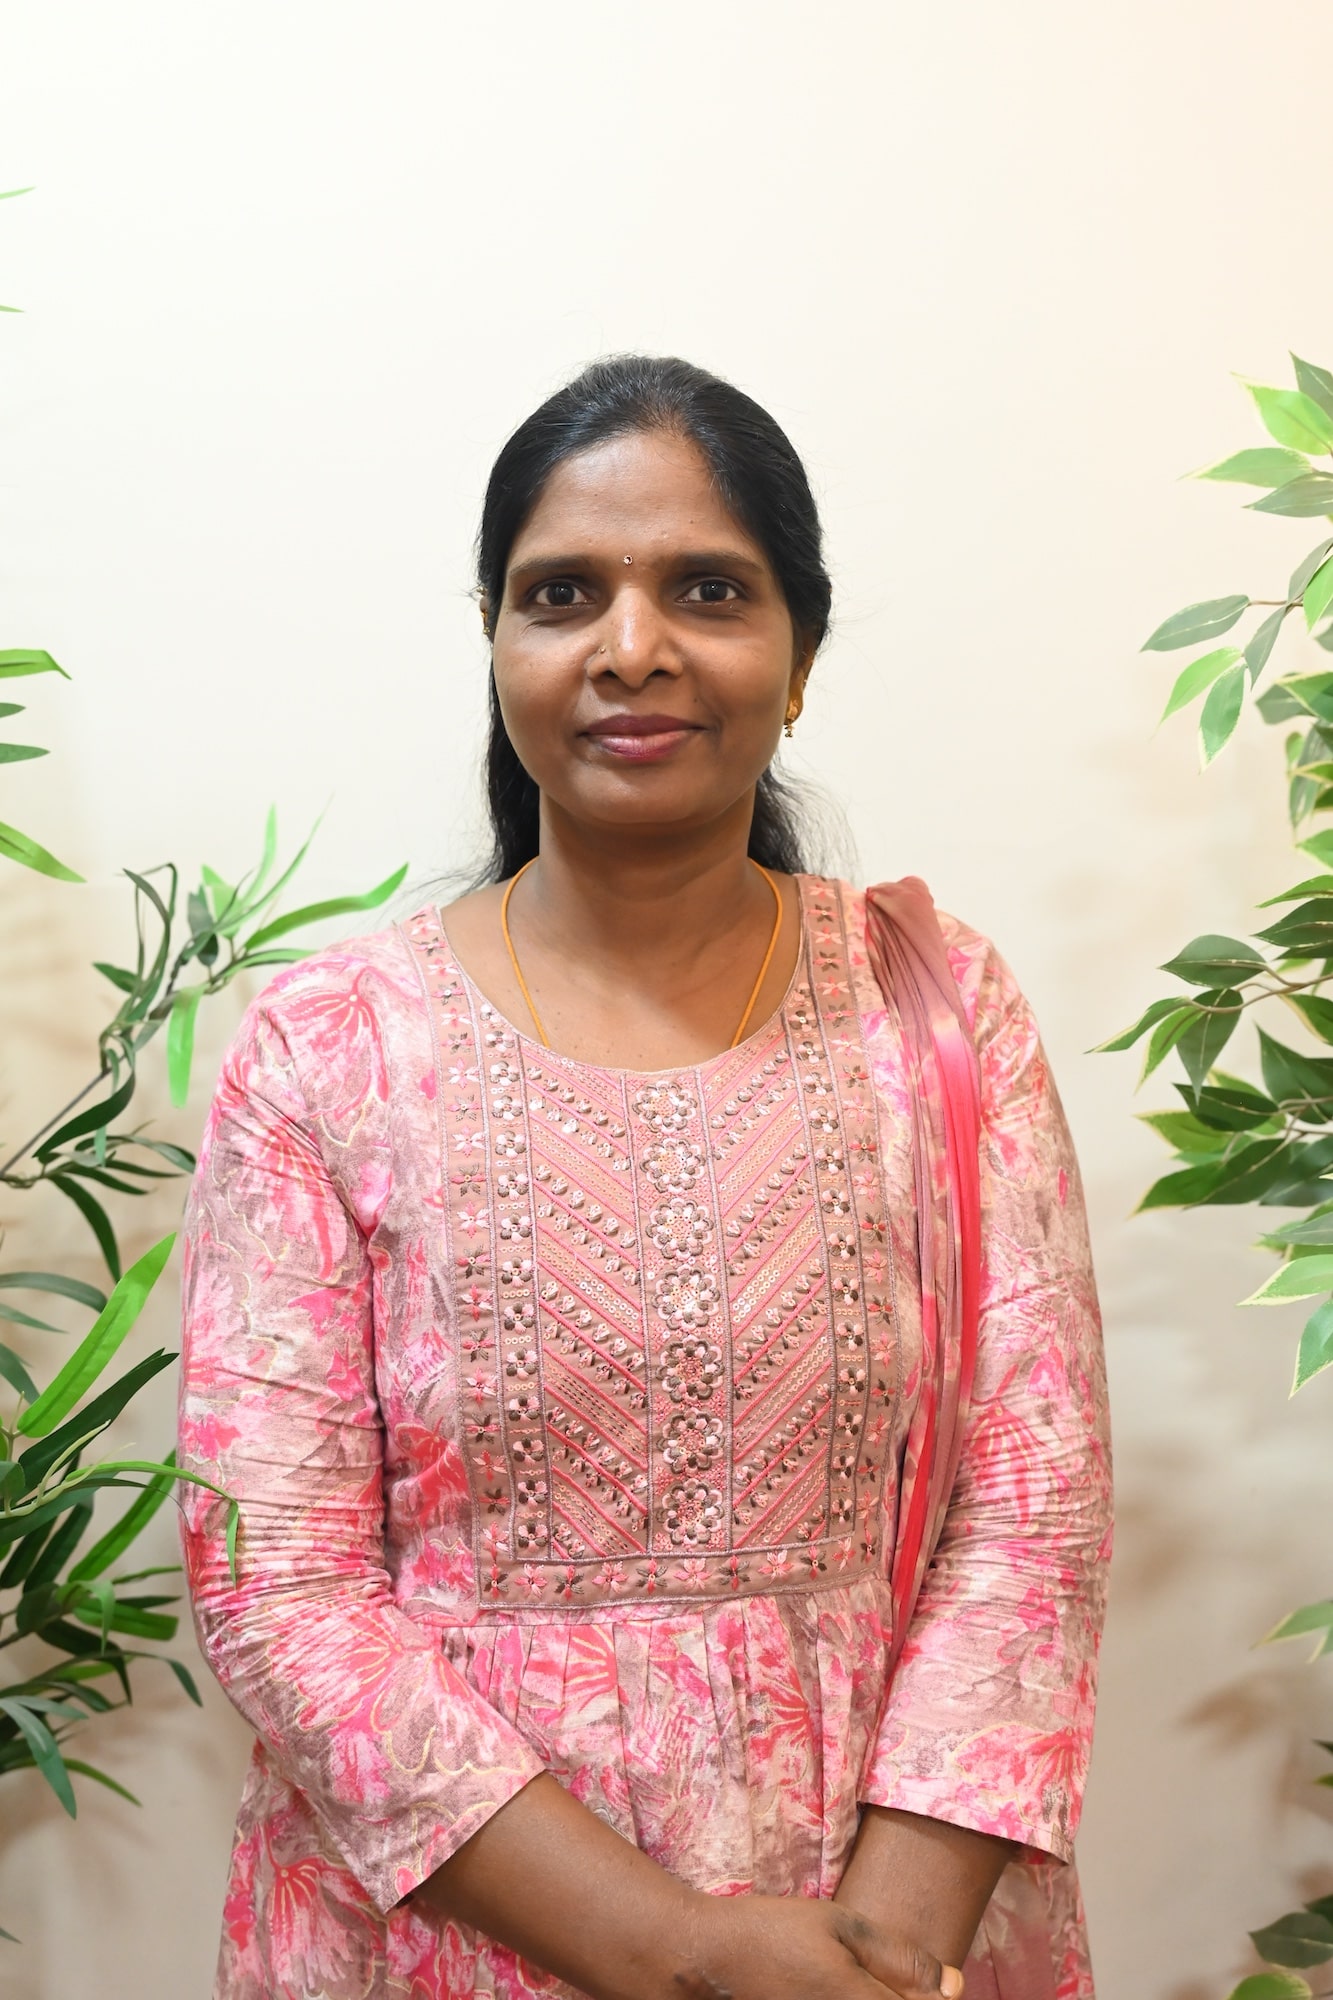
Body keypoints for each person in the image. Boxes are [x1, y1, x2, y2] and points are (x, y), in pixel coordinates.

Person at [178, 355, 1111, 2000]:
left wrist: (882, 1953)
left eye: (707, 589)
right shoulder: (328, 1049)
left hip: (888, 1933)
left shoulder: (936, 1006)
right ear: (495, 643)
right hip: (462, 1932)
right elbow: (280, 1585)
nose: (631, 647)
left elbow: (1032, 1508)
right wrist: (674, 1955)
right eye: (562, 594)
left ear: (799, 657)